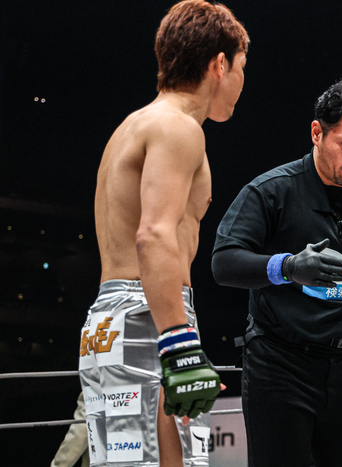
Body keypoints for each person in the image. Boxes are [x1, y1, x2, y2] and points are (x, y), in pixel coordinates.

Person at [211, 76, 342, 467]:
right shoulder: (270, 191)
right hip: (279, 365)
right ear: (317, 133)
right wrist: (288, 267)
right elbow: (224, 262)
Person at [77, 2, 249, 466]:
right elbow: (153, 235)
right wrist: (177, 340)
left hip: (109, 323)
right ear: (219, 64)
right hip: (150, 316)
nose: (242, 81)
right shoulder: (179, 129)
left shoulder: (131, 126)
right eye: (241, 66)